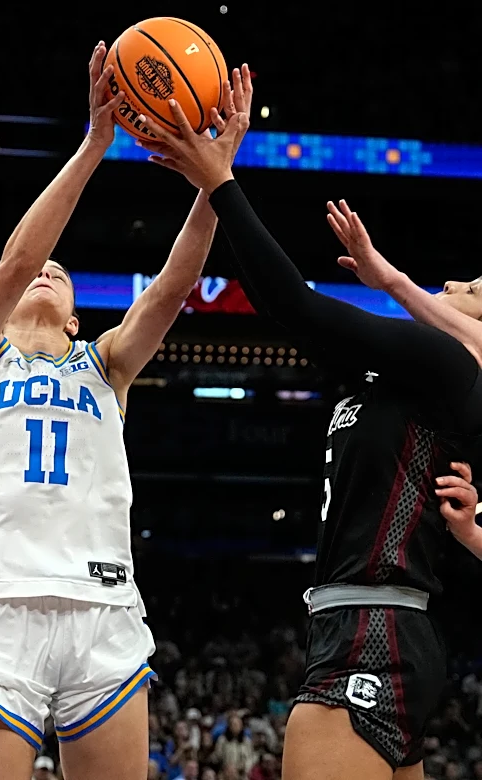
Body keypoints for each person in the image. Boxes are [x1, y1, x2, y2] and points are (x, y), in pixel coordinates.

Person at [133, 71, 482, 780]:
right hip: (375, 628)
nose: (449, 286)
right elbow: (279, 303)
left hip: (370, 632)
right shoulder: (398, 376)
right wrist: (214, 184)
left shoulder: (447, 365)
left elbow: (299, 304)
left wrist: (224, 181)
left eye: (469, 290)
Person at [0, 42, 251, 780]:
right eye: (36, 269)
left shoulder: (104, 364)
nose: (45, 270)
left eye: (61, 273)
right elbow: (17, 260)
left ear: (77, 317)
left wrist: (215, 179)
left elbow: (172, 289)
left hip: (101, 606)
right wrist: (94, 143)